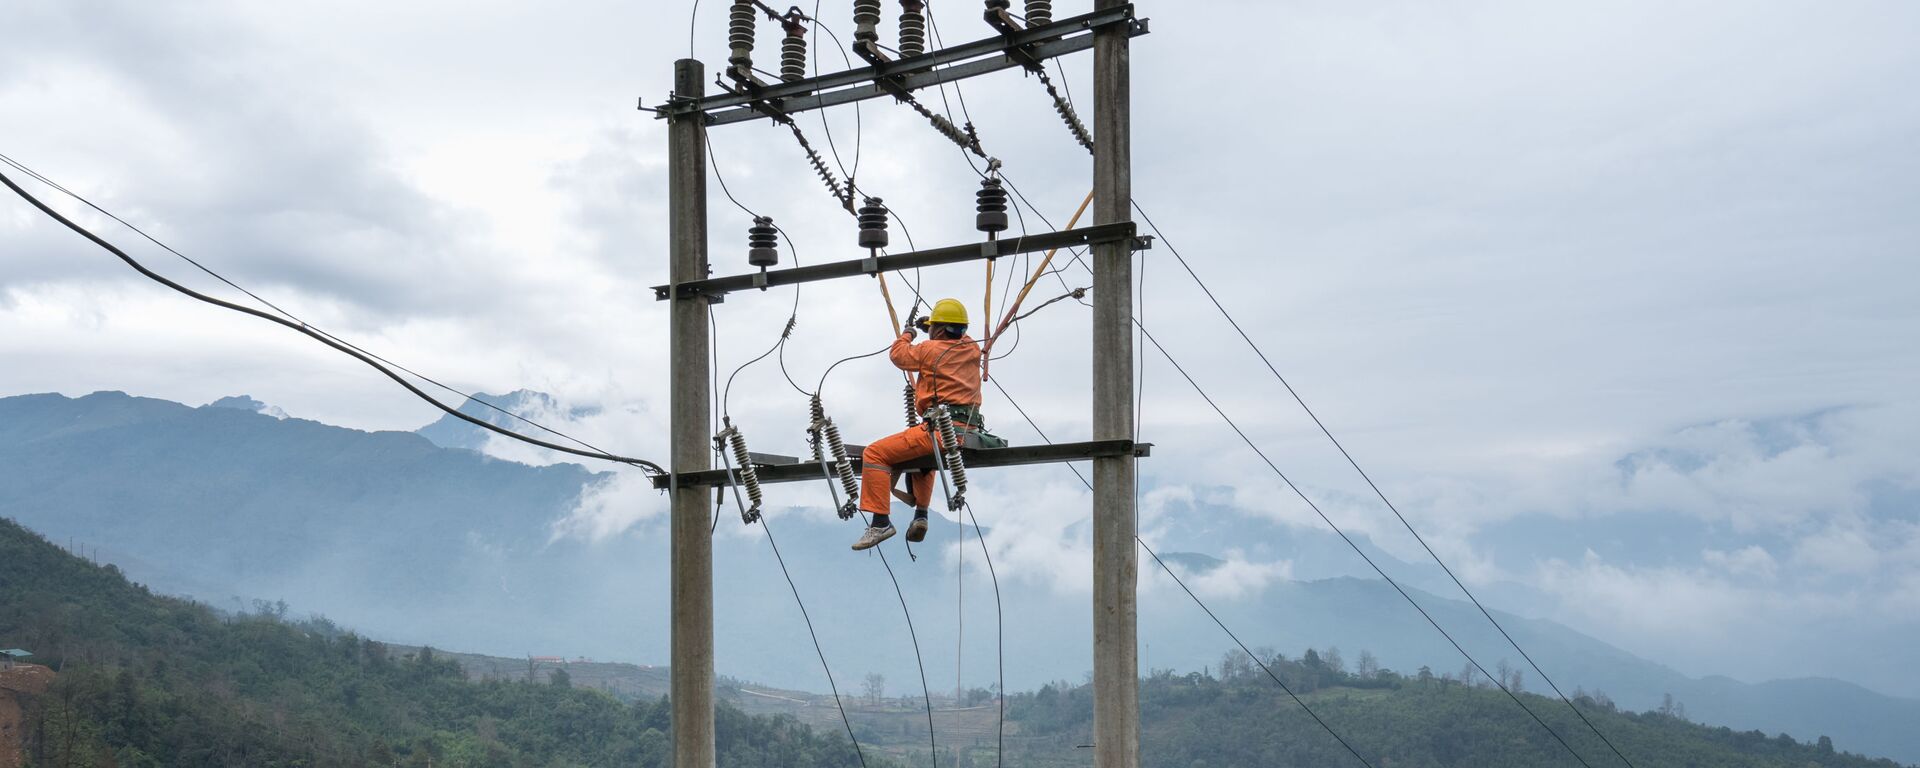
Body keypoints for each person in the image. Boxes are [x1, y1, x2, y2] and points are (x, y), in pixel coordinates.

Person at [850, 297, 983, 551]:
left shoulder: (928, 350)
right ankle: (921, 515)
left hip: (940, 430)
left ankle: (880, 522)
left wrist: (908, 334)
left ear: (941, 330)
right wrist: (930, 327)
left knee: (875, 453)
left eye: (934, 327)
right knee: (925, 456)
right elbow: (956, 335)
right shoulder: (972, 348)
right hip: (967, 429)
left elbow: (898, 356)